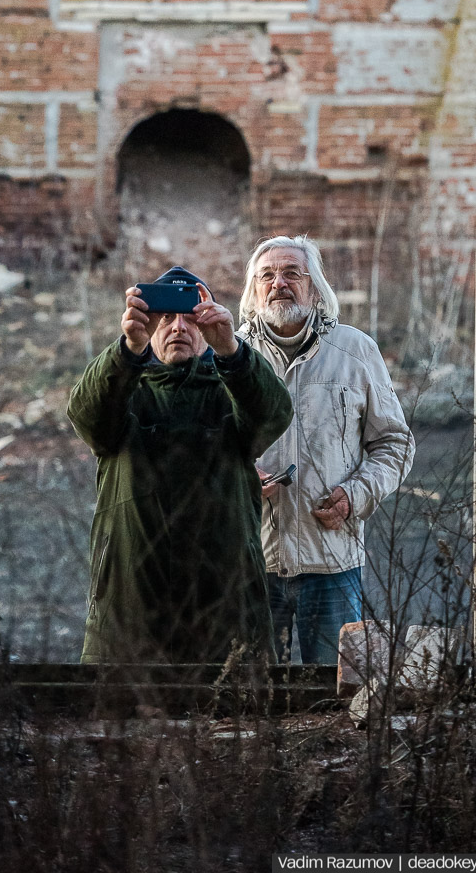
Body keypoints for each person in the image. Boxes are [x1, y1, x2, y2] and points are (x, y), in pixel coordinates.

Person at [67, 265, 293, 665]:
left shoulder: (232, 391)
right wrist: (127, 348)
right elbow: (86, 416)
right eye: (165, 317)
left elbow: (274, 416)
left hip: (225, 608)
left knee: (234, 722)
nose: (177, 328)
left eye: (190, 318)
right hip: (130, 603)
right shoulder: (122, 390)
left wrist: (232, 352)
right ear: (149, 326)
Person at [240, 235, 415, 664]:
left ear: (315, 288)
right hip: (251, 561)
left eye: (291, 273)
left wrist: (354, 496)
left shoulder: (354, 351)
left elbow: (395, 443)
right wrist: (240, 482)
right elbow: (204, 451)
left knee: (337, 693)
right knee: (249, 699)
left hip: (333, 560)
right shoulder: (233, 357)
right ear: (254, 290)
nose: (279, 283)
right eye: (267, 275)